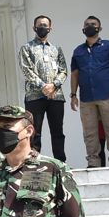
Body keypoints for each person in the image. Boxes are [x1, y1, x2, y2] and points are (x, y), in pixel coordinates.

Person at [69, 16, 109, 167]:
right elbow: (74, 74)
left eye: (93, 24)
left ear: (100, 28)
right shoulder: (78, 51)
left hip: (108, 95)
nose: (89, 26)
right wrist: (73, 94)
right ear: (83, 29)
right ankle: (93, 162)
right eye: (86, 24)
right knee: (89, 133)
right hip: (86, 98)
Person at [19, 15, 68, 161]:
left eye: (45, 25)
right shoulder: (27, 48)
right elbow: (26, 70)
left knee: (57, 132)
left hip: (56, 96)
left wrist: (54, 85)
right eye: (40, 25)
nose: (43, 27)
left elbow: (63, 70)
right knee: (34, 131)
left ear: (50, 28)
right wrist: (43, 87)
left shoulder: (56, 49)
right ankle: (33, 162)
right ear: (34, 28)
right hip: (35, 96)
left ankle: (60, 163)